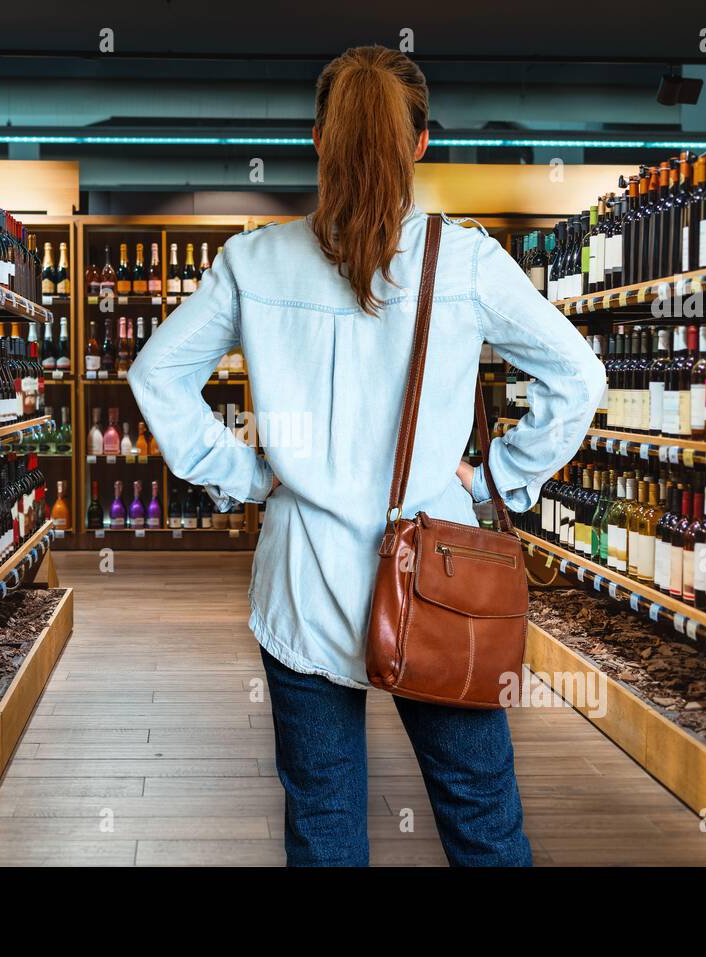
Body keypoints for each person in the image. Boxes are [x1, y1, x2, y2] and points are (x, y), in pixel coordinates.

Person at [129, 45, 604, 866]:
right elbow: (579, 374)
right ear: (419, 144)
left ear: (319, 138)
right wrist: (499, 476)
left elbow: (156, 375)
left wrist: (246, 475)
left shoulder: (253, 260)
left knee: (324, 823)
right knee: (482, 822)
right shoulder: (466, 261)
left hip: (303, 585)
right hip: (440, 580)